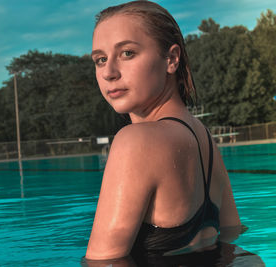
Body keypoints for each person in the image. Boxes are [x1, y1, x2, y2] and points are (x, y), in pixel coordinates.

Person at [85, 0, 242, 264]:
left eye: (127, 53)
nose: (109, 73)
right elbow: (231, 234)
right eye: (100, 60)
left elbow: (103, 261)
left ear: (171, 58)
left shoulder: (135, 141)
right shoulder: (203, 137)